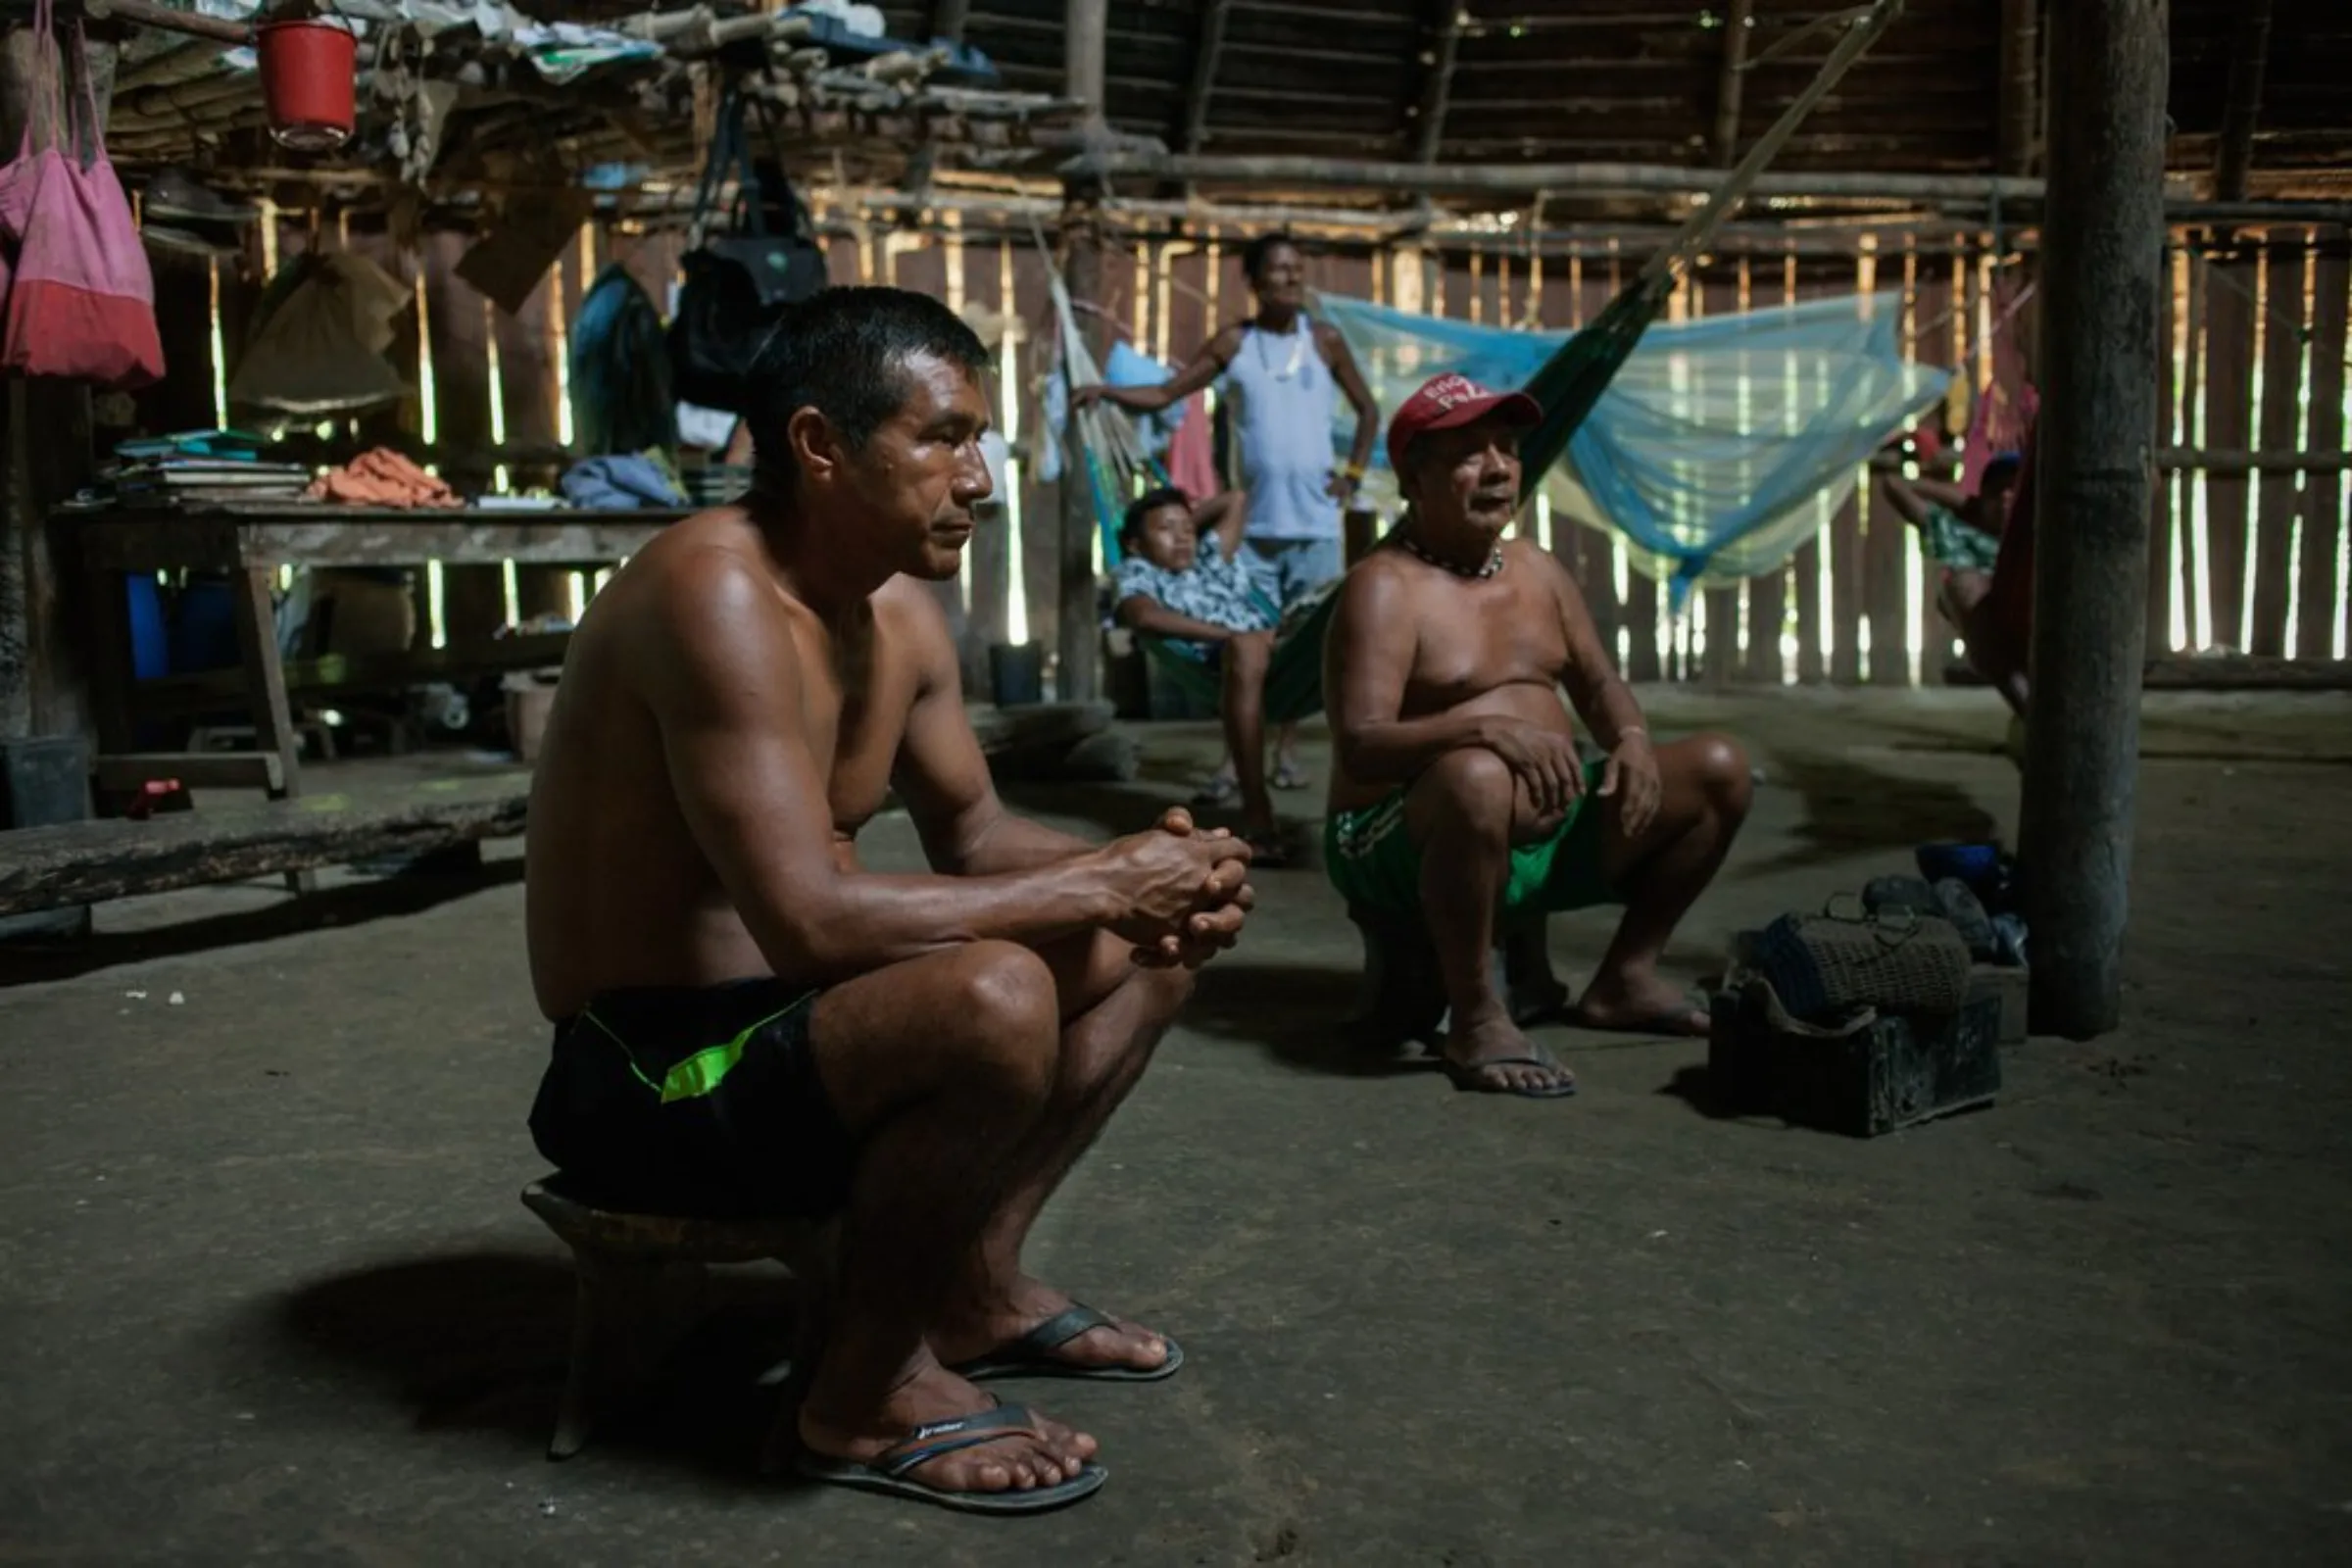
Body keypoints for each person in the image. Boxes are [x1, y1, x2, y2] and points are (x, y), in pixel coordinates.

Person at [522, 287, 1256, 1514]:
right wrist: (1098, 883)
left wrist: (1151, 870)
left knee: (1153, 949)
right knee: (995, 990)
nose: (980, 478)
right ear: (820, 446)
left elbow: (973, 834)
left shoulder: (902, 610)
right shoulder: (713, 595)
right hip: (647, 1070)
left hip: (797, 1026)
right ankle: (854, 1402)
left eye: (981, 441)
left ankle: (971, 1289)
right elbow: (806, 921)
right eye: (944, 437)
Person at [1322, 373, 1754, 1100]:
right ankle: (1475, 1015)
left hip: (1545, 828)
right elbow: (1361, 745)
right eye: (1468, 453)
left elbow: (1599, 685)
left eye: (1508, 449)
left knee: (1719, 768)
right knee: (1477, 775)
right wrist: (1485, 729)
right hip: (1390, 835)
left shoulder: (1536, 570)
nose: (1497, 468)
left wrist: (1633, 740)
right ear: (1416, 477)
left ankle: (1625, 977)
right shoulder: (1384, 588)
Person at [1076, 231, 1379, 796]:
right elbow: (1167, 393)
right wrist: (1108, 393)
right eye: (1277, 270)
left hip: (1316, 527)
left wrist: (1354, 476)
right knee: (1247, 650)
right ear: (1254, 282)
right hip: (1257, 533)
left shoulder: (1326, 341)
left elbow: (1368, 411)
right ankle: (1236, 759)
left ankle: (1285, 754)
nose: (1289, 278)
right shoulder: (1235, 344)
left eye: (1296, 268)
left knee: (1302, 654)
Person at [1110, 485, 1290, 862]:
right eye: (1166, 530)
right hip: (1232, 653)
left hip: (1285, 644)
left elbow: (1236, 498)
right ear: (1135, 544)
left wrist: (1177, 523)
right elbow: (1142, 615)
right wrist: (1233, 636)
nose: (1182, 538)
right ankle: (1259, 815)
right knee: (1246, 648)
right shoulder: (1138, 571)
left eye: (1188, 528)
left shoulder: (1209, 557)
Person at [1878, 445, 2031, 717]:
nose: (2006, 497)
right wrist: (1968, 504)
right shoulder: (1961, 534)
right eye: (1996, 493)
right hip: (1993, 623)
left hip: (2033, 612)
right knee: (1960, 585)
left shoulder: (2040, 528)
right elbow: (1894, 484)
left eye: (2013, 491)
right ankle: (2028, 708)